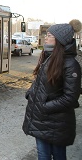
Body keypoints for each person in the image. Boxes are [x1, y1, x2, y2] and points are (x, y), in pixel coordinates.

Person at [22, 20, 81, 159]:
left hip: (57, 121)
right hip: (42, 119)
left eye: (49, 35)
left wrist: (44, 107)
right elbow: (39, 82)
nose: (45, 38)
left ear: (59, 40)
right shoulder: (48, 57)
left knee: (58, 155)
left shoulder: (70, 64)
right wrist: (30, 93)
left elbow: (71, 98)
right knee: (43, 155)